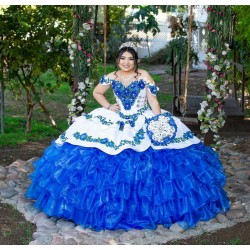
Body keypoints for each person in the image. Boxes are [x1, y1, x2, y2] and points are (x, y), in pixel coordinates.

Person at [26, 42, 230, 231]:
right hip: (118, 118)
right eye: (123, 58)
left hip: (142, 118)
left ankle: (152, 208)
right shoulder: (111, 76)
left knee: (160, 157)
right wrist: (108, 106)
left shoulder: (143, 75)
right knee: (100, 153)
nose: (126, 62)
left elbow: (153, 101)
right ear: (118, 60)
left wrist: (159, 122)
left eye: (130, 59)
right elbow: (97, 93)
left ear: (135, 61)